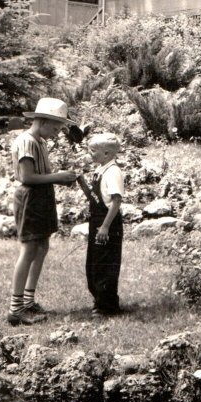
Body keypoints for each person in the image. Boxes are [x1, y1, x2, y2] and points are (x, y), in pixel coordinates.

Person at [9, 97, 78, 326]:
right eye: (56, 127)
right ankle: (15, 308)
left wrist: (58, 179)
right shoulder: (26, 141)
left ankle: (28, 301)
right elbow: (27, 177)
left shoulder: (40, 141)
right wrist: (58, 177)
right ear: (43, 121)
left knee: (42, 246)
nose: (58, 132)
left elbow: (40, 175)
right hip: (30, 197)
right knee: (29, 249)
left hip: (42, 196)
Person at [77, 133, 124, 317]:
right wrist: (81, 181)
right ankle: (99, 300)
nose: (90, 153)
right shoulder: (101, 170)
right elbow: (95, 198)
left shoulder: (113, 172)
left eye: (93, 150)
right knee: (94, 263)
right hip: (96, 220)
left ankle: (107, 305)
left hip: (108, 223)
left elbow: (116, 201)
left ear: (106, 153)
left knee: (105, 264)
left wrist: (105, 227)